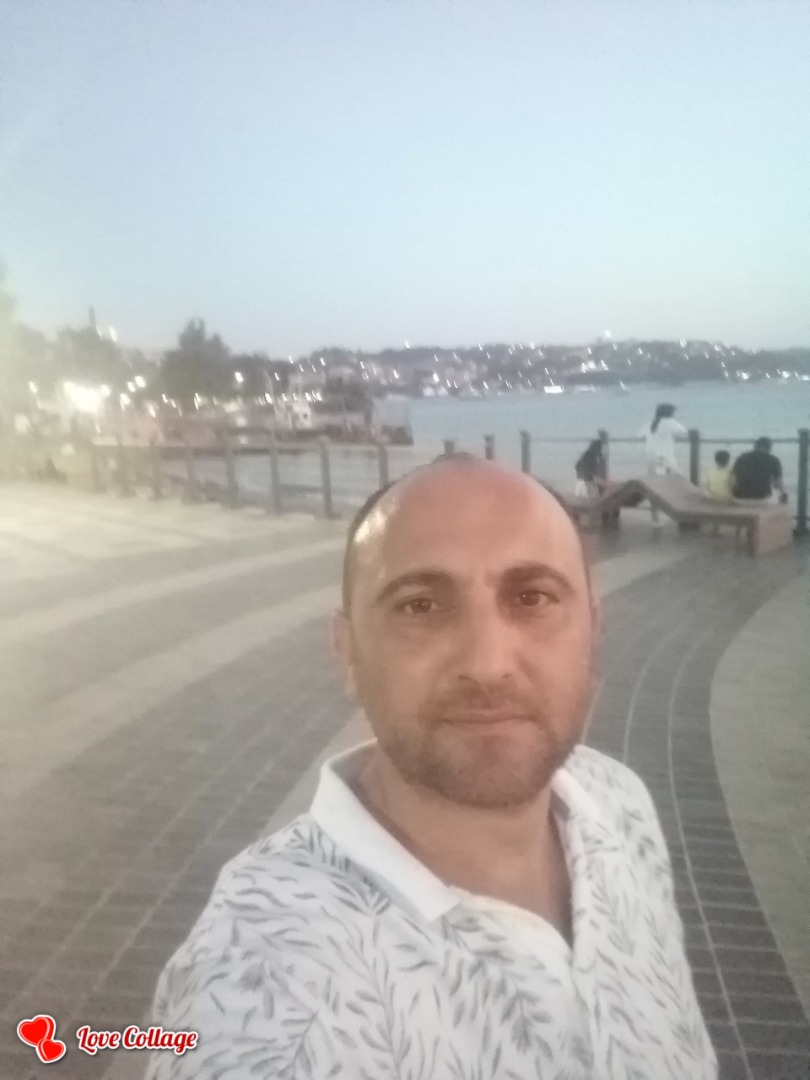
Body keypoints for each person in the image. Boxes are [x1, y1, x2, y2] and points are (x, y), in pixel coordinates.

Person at [146, 456, 717, 1080]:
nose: (487, 664)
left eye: (532, 597)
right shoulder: (264, 991)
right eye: (419, 606)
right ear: (348, 654)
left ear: (593, 630)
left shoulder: (619, 800)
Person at [639, 403, 687, 526]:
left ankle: (655, 519)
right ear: (670, 413)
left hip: (652, 459)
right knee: (681, 484)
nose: (676, 415)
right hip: (665, 460)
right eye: (674, 412)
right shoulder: (669, 422)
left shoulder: (652, 423)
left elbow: (639, 434)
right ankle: (679, 514)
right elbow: (683, 432)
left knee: (654, 489)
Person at [732, 437, 786, 503]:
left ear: (755, 446)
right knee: (776, 492)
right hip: (761, 498)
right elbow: (778, 482)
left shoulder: (742, 457)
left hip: (739, 497)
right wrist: (783, 494)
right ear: (769, 448)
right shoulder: (773, 460)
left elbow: (733, 477)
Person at [574, 431, 607, 498]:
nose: (600, 450)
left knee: (590, 485)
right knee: (589, 485)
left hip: (585, 472)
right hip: (585, 472)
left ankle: (597, 494)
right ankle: (597, 495)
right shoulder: (590, 455)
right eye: (599, 448)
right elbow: (589, 466)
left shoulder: (591, 454)